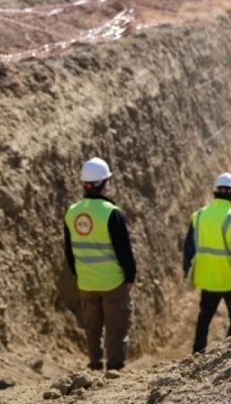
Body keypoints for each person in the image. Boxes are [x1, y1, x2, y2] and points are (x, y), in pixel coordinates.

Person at [63, 157, 136, 372]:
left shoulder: (72, 212)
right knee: (116, 328)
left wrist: (79, 274)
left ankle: (94, 367)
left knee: (92, 328)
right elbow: (124, 251)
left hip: (86, 282)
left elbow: (69, 251)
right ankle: (113, 371)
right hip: (113, 282)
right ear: (104, 183)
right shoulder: (111, 213)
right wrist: (130, 276)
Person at [183, 172, 231, 354]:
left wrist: (188, 274)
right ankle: (229, 353)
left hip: (207, 279)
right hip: (229, 280)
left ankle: (197, 353)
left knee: (204, 317)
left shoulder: (198, 216)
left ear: (214, 192)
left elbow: (188, 249)